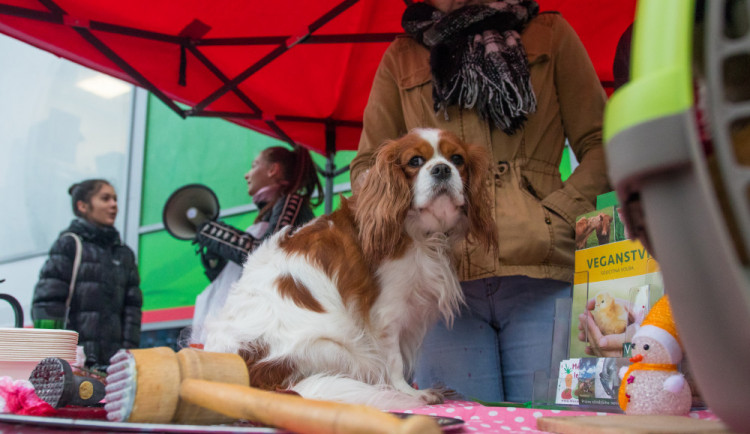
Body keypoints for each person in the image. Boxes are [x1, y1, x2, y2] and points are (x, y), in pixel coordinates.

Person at [350, 0, 610, 403]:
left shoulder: (549, 32)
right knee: (461, 425)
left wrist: (558, 215)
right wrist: (408, 214)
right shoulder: (401, 56)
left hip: (540, 269)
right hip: (438, 285)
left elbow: (602, 142)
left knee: (550, 422)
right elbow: (367, 166)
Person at [189, 146, 322, 345]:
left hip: (267, 328)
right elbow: (238, 276)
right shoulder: (271, 212)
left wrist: (210, 231)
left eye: (254, 166)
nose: (246, 174)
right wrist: (213, 259)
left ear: (273, 170)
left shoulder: (291, 203)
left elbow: (267, 255)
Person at [31, 179, 142, 371]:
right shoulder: (69, 244)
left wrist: (127, 356)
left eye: (115, 199)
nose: (114, 205)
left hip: (113, 367)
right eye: (105, 199)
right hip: (73, 365)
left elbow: (132, 312)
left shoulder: (125, 254)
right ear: (82, 206)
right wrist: (57, 360)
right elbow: (47, 304)